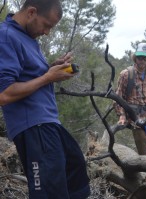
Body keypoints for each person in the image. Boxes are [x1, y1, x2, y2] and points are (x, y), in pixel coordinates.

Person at [0, 0, 90, 198]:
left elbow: (28, 75)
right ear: (32, 12)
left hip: (48, 122)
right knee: (49, 191)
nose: (47, 32)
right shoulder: (5, 36)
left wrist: (50, 68)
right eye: (47, 25)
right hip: (33, 126)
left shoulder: (27, 37)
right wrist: (48, 77)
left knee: (75, 175)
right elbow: (4, 94)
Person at [114, 42, 146, 155]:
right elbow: (118, 98)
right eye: (139, 57)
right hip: (135, 119)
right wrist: (122, 116)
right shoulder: (126, 74)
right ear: (135, 58)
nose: (142, 60)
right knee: (145, 153)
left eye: (145, 58)